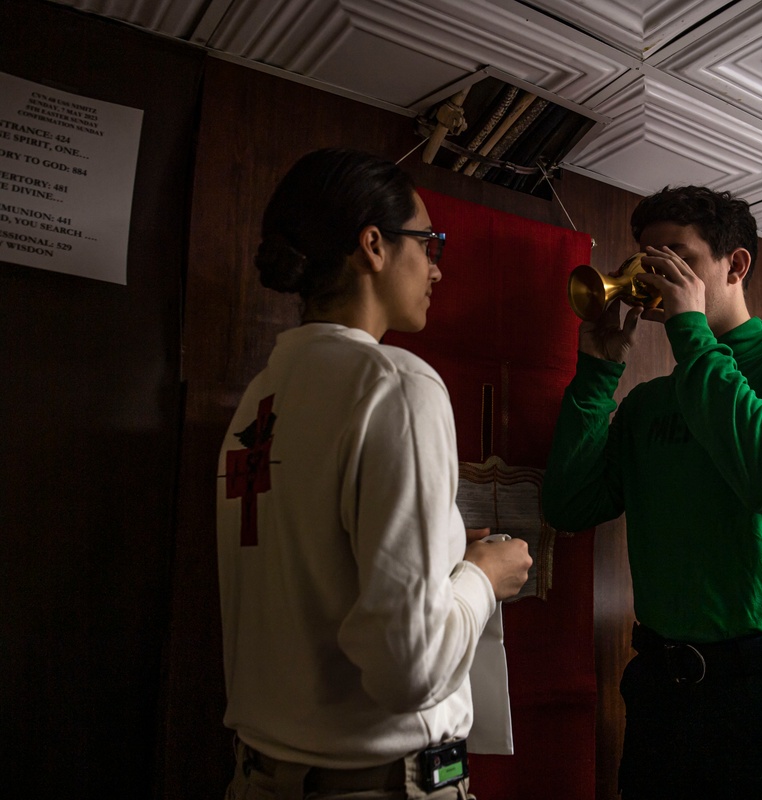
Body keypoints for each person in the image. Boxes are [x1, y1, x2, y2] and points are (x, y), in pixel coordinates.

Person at [217, 148, 532, 800]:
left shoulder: (260, 398)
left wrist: (448, 557)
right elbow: (408, 672)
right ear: (373, 246)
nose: (437, 267)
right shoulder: (394, 382)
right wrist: (482, 578)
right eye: (428, 242)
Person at [542, 185, 762, 799]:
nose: (655, 272)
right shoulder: (648, 404)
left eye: (678, 256)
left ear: (735, 265)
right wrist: (598, 369)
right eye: (645, 256)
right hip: (667, 694)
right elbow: (569, 505)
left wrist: (693, 330)